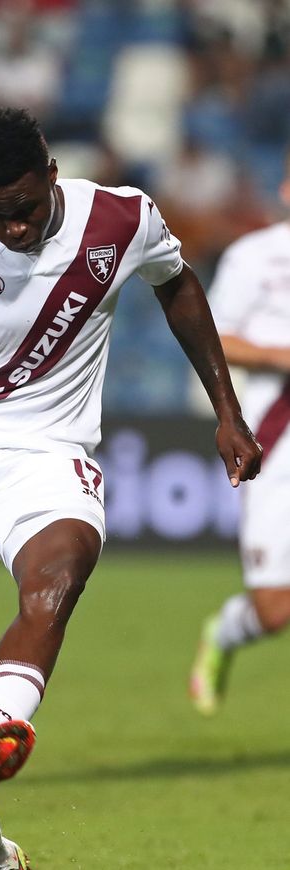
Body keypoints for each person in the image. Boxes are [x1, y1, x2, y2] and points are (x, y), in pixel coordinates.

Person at [0, 107, 262, 870]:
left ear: (52, 175)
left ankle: (4, 723)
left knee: (55, 575)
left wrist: (224, 410)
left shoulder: (121, 219)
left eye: (24, 205)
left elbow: (180, 286)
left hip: (50, 452)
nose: (12, 224)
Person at [189, 159, 290, 716]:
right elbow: (215, 338)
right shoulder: (256, 256)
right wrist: (280, 355)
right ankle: (223, 634)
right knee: (274, 610)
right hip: (278, 443)